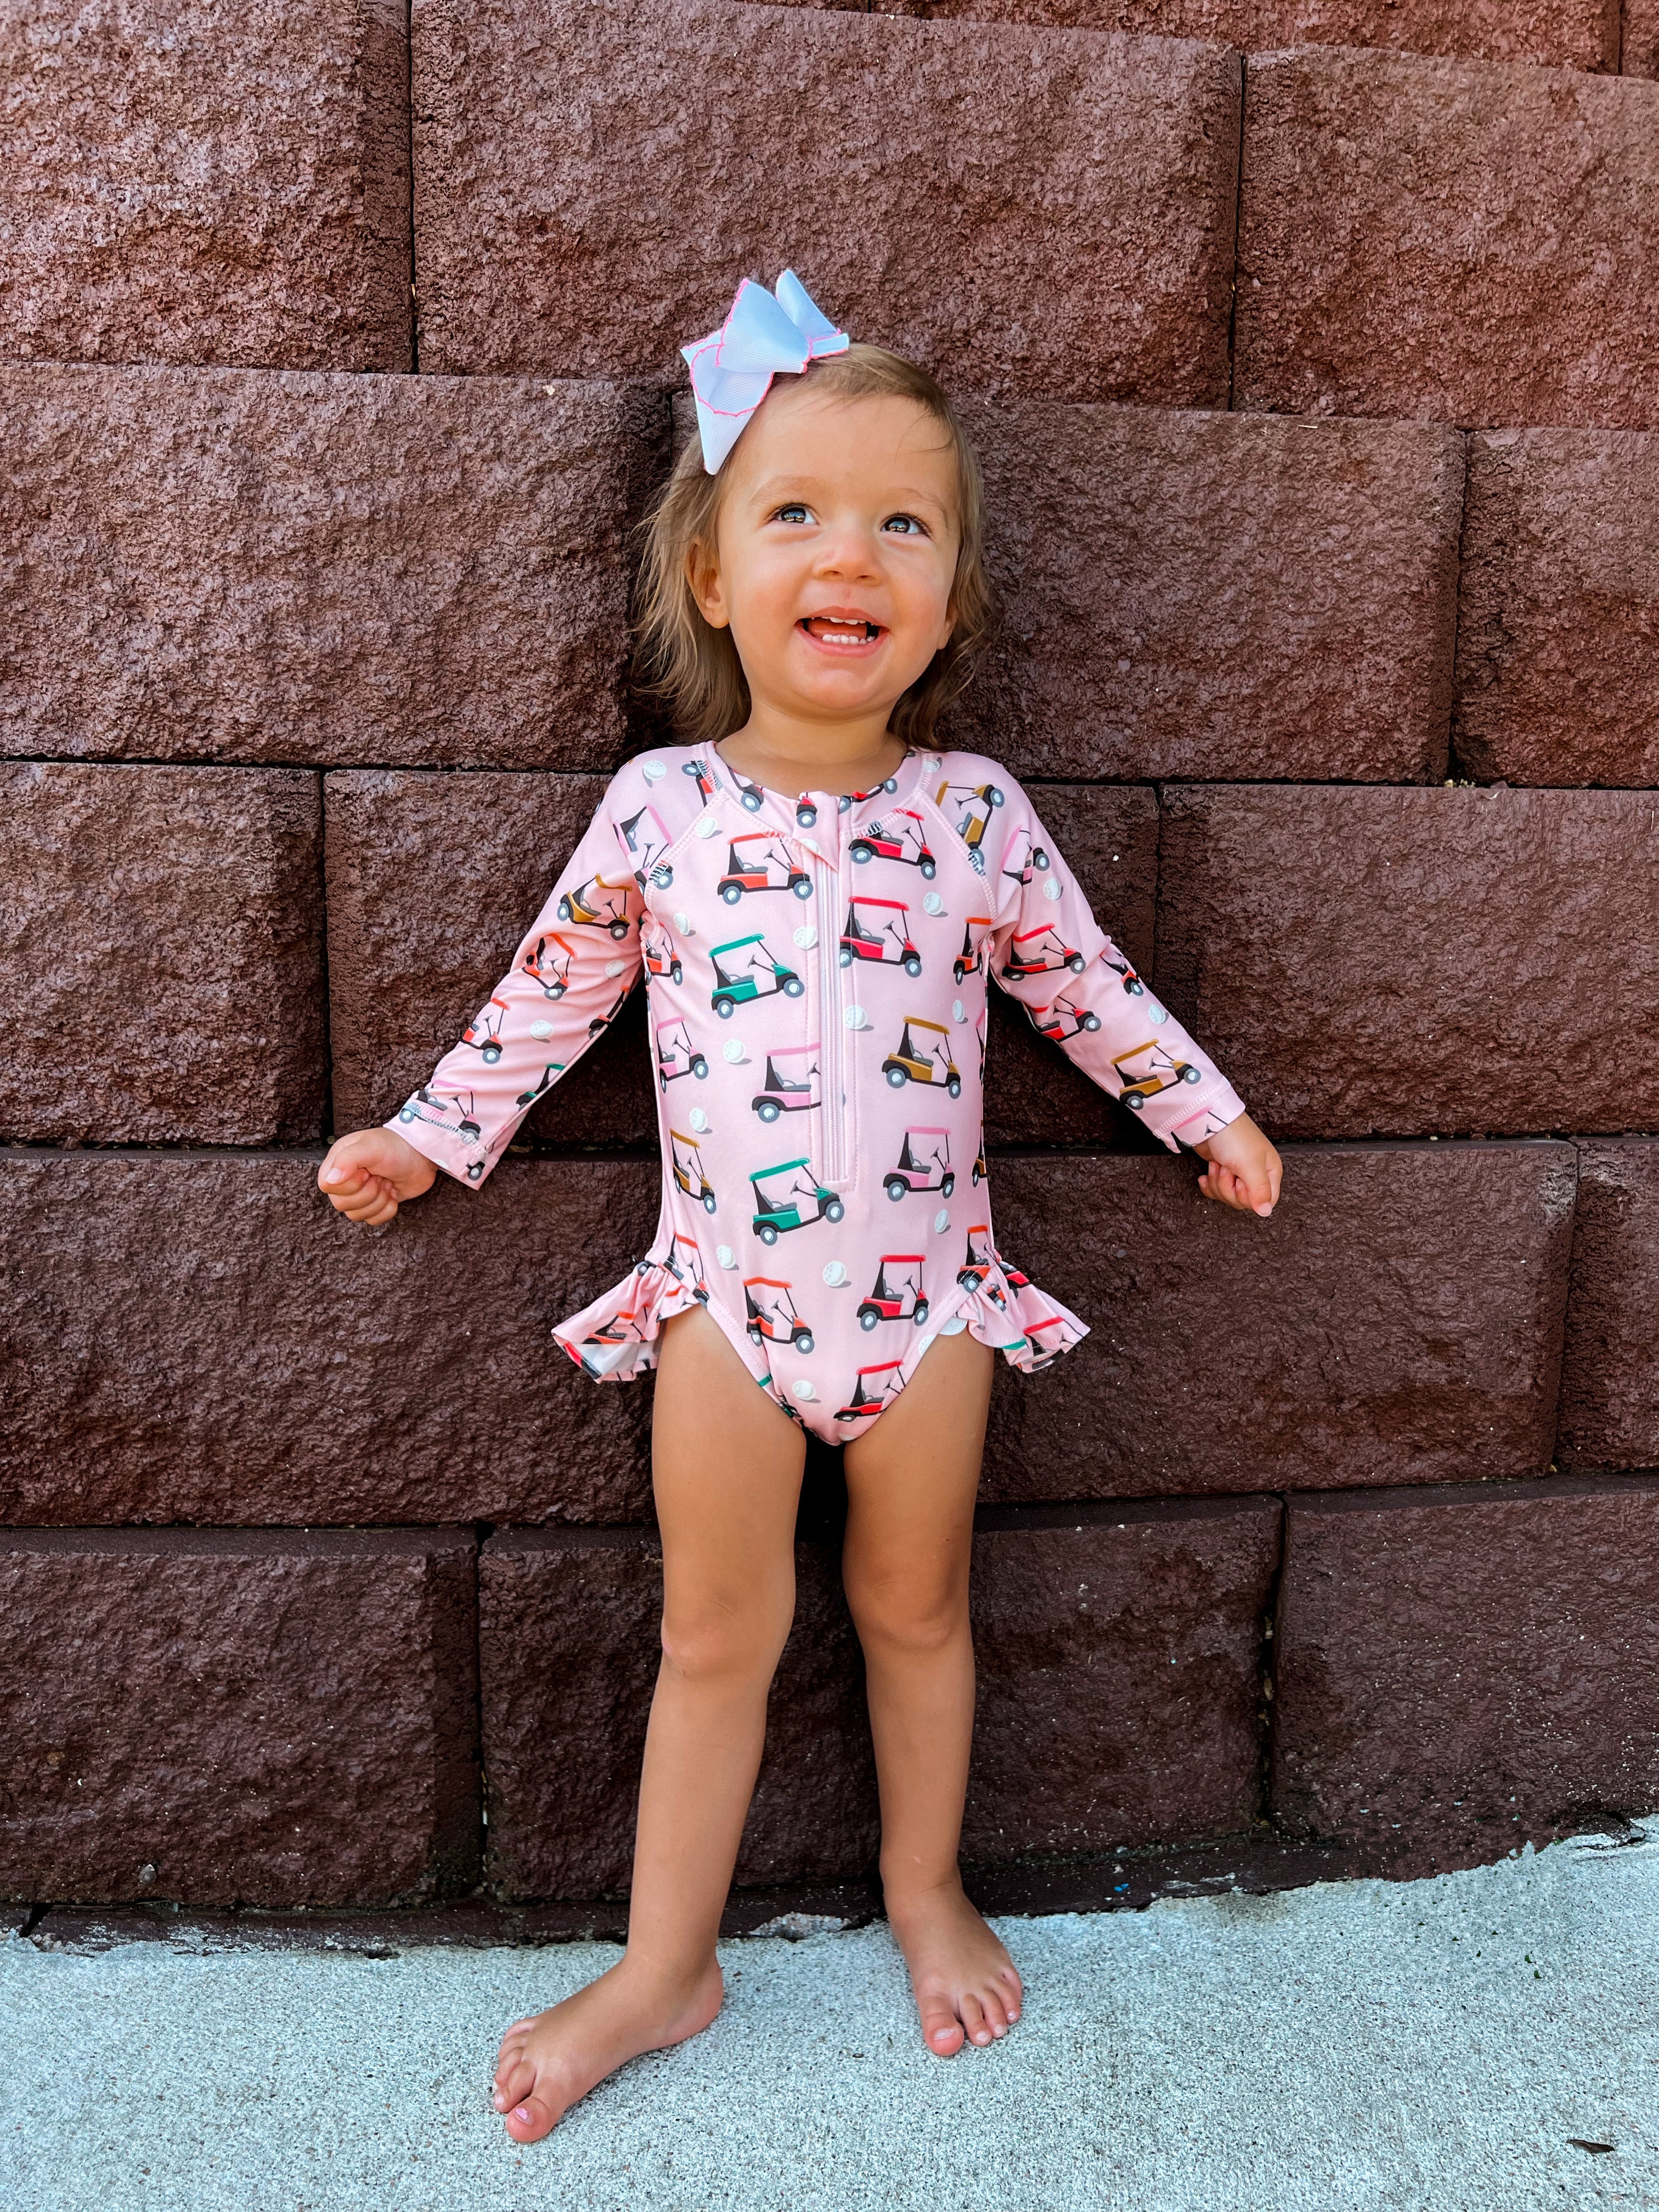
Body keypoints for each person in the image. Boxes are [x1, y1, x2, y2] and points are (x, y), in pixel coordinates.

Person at [317, 272, 1283, 2141]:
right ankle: (665, 1964)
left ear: (951, 596)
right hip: (723, 1309)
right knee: (713, 1636)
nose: (851, 554)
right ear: (710, 578)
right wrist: (431, 1140)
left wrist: (1205, 1114)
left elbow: (1087, 984)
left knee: (918, 1612)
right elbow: (552, 995)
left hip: (933, 1306)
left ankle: (926, 1887)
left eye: (904, 523)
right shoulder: (662, 811)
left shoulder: (975, 816)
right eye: (797, 514)